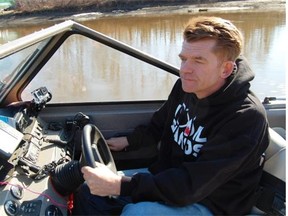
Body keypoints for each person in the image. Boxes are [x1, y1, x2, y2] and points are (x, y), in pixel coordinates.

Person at [72, 16, 269, 215]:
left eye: (198, 61)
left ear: (225, 68)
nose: (185, 70)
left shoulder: (245, 117)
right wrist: (128, 140)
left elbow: (191, 186)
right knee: (89, 190)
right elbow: (159, 125)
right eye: (183, 59)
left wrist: (119, 186)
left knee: (135, 213)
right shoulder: (188, 87)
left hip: (212, 204)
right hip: (170, 179)